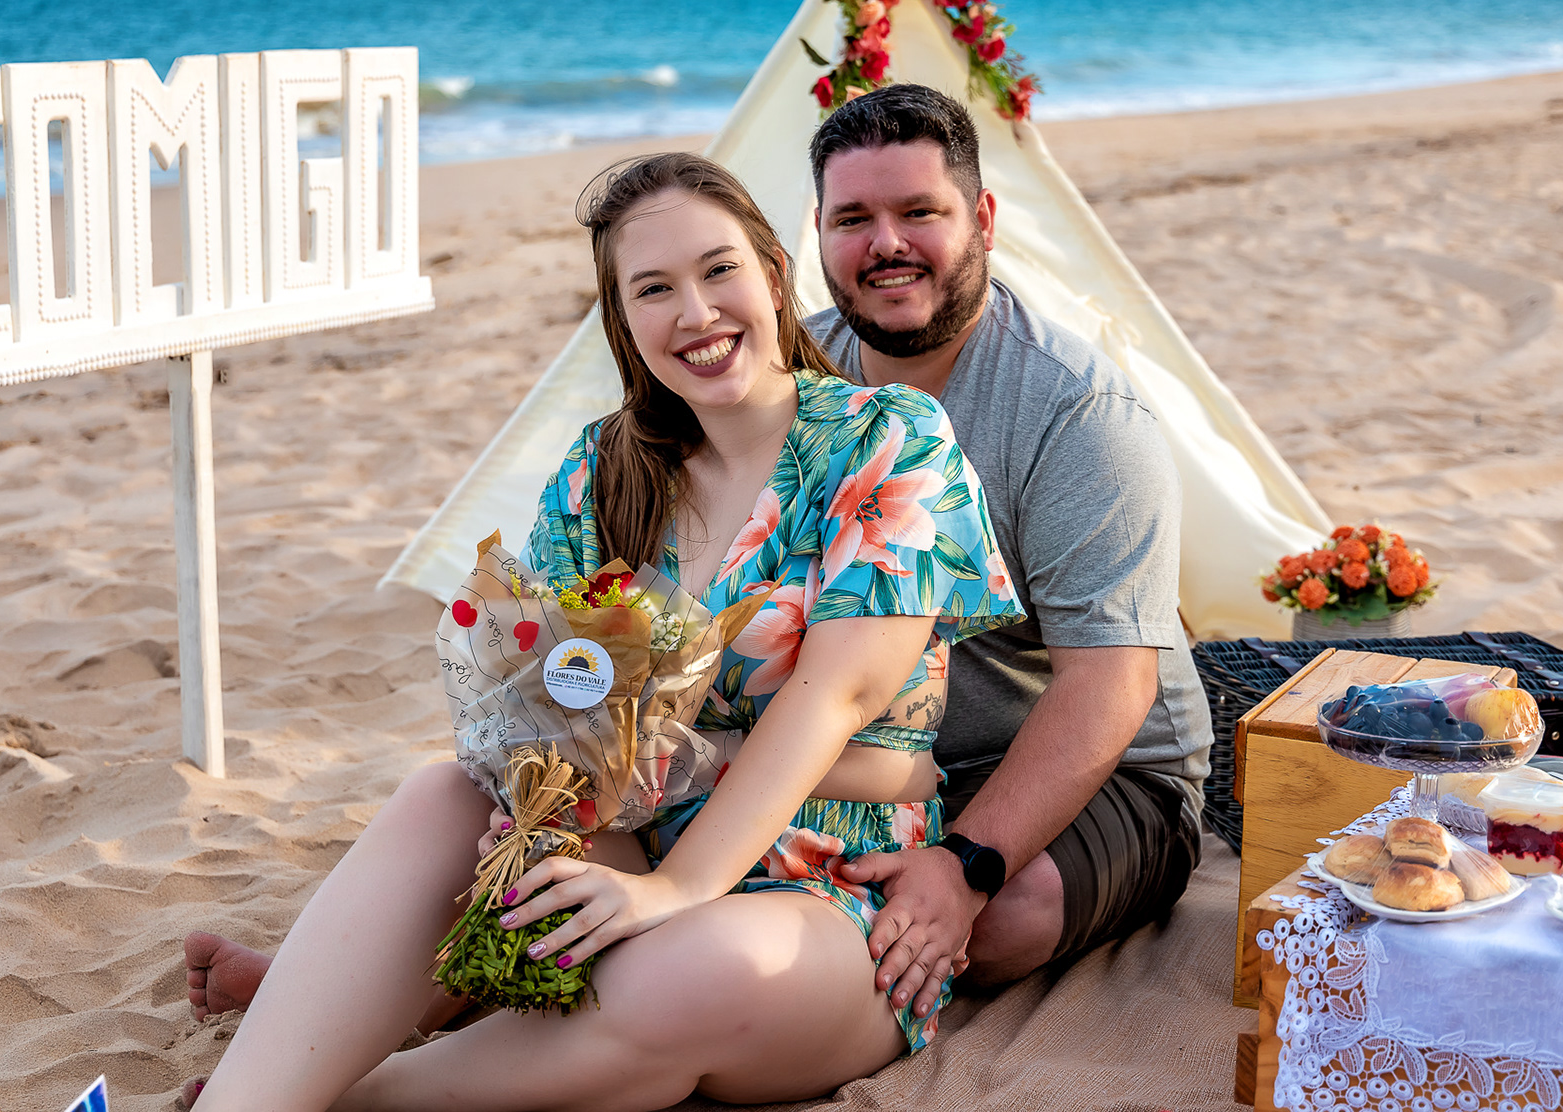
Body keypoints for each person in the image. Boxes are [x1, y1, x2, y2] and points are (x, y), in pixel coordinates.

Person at [184, 151, 1022, 1111]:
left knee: (684, 975)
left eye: (719, 270)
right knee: (443, 801)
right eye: (654, 289)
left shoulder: (888, 438)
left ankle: (359, 1089)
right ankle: (266, 1084)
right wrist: (555, 808)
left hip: (833, 887)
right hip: (629, 846)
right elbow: (550, 716)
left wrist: (677, 882)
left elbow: (839, 695)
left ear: (772, 275)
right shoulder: (600, 472)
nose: (696, 314)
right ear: (622, 318)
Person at [809, 84, 1211, 1023]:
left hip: (1102, 767)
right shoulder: (798, 381)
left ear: (982, 219)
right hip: (877, 757)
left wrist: (964, 865)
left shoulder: (1079, 413)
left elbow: (1108, 687)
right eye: (852, 219)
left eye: (919, 212)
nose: (885, 244)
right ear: (818, 234)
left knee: (1001, 918)